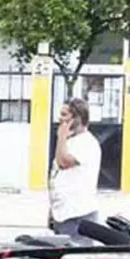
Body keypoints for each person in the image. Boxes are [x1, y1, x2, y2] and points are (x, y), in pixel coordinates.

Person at [48, 98, 102, 241]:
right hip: (63, 213)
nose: (60, 119)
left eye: (65, 115)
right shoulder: (71, 142)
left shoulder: (87, 143)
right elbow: (58, 175)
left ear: (77, 118)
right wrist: (53, 210)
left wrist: (61, 137)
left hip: (78, 215)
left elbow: (63, 162)